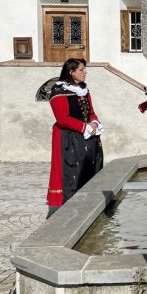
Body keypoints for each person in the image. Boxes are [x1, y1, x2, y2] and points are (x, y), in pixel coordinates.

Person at [46, 58, 104, 217]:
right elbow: (62, 119)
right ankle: (67, 207)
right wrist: (84, 127)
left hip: (87, 135)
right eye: (81, 69)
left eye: (84, 69)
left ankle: (87, 203)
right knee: (71, 170)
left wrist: (94, 123)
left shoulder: (84, 89)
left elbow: (91, 111)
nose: (85, 72)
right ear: (71, 72)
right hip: (68, 137)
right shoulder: (59, 92)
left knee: (89, 167)